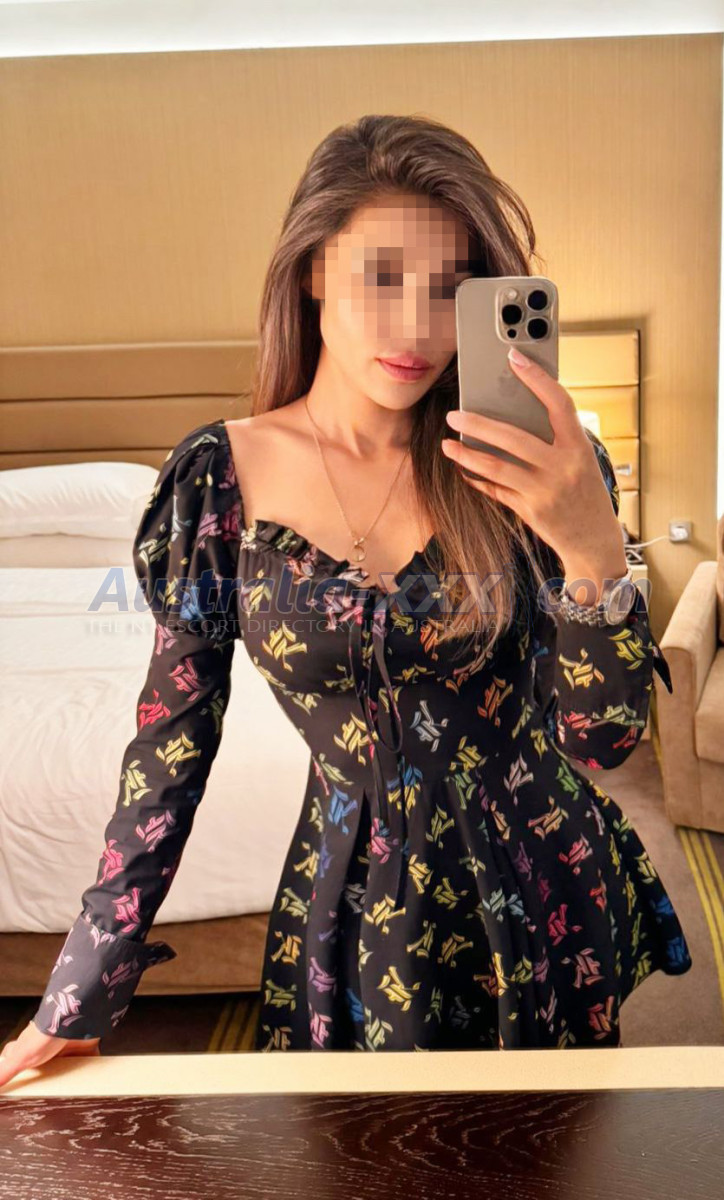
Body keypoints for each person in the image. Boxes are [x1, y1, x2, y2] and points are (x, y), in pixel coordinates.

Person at [0, 113, 692, 1083]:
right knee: (357, 1149)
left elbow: (603, 741)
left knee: (548, 1147)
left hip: (540, 886)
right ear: (313, 271)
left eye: (450, 289)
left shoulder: (541, 468)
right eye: (382, 276)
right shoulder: (219, 481)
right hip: (355, 908)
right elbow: (170, 748)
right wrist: (83, 982)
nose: (416, 326)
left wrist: (589, 543)